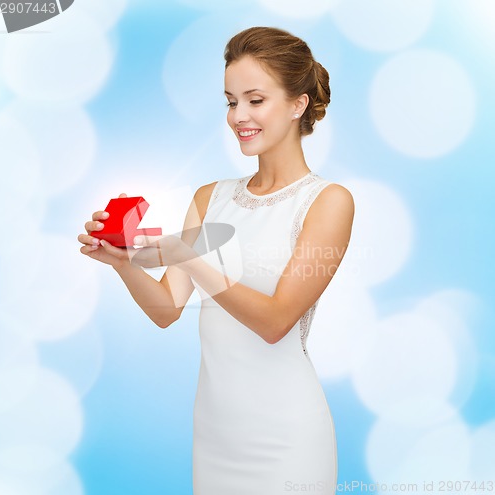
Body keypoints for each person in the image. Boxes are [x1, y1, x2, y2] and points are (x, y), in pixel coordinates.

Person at [78, 26, 354, 495]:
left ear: (297, 104)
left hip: (287, 439)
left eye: (255, 100)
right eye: (231, 102)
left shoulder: (327, 202)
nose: (238, 116)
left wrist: (189, 255)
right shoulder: (211, 198)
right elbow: (167, 310)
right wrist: (123, 262)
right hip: (215, 436)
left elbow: (275, 322)